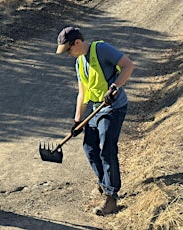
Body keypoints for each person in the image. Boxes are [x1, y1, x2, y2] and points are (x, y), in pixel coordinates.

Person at [56, 27, 135, 216]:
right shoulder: (79, 62)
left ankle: (111, 197)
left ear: (77, 42)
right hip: (95, 109)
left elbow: (129, 65)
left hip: (113, 107)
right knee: (90, 149)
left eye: (68, 49)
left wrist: (114, 87)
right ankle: (104, 183)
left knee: (107, 148)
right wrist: (77, 121)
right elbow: (82, 94)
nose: (68, 54)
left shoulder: (101, 49)